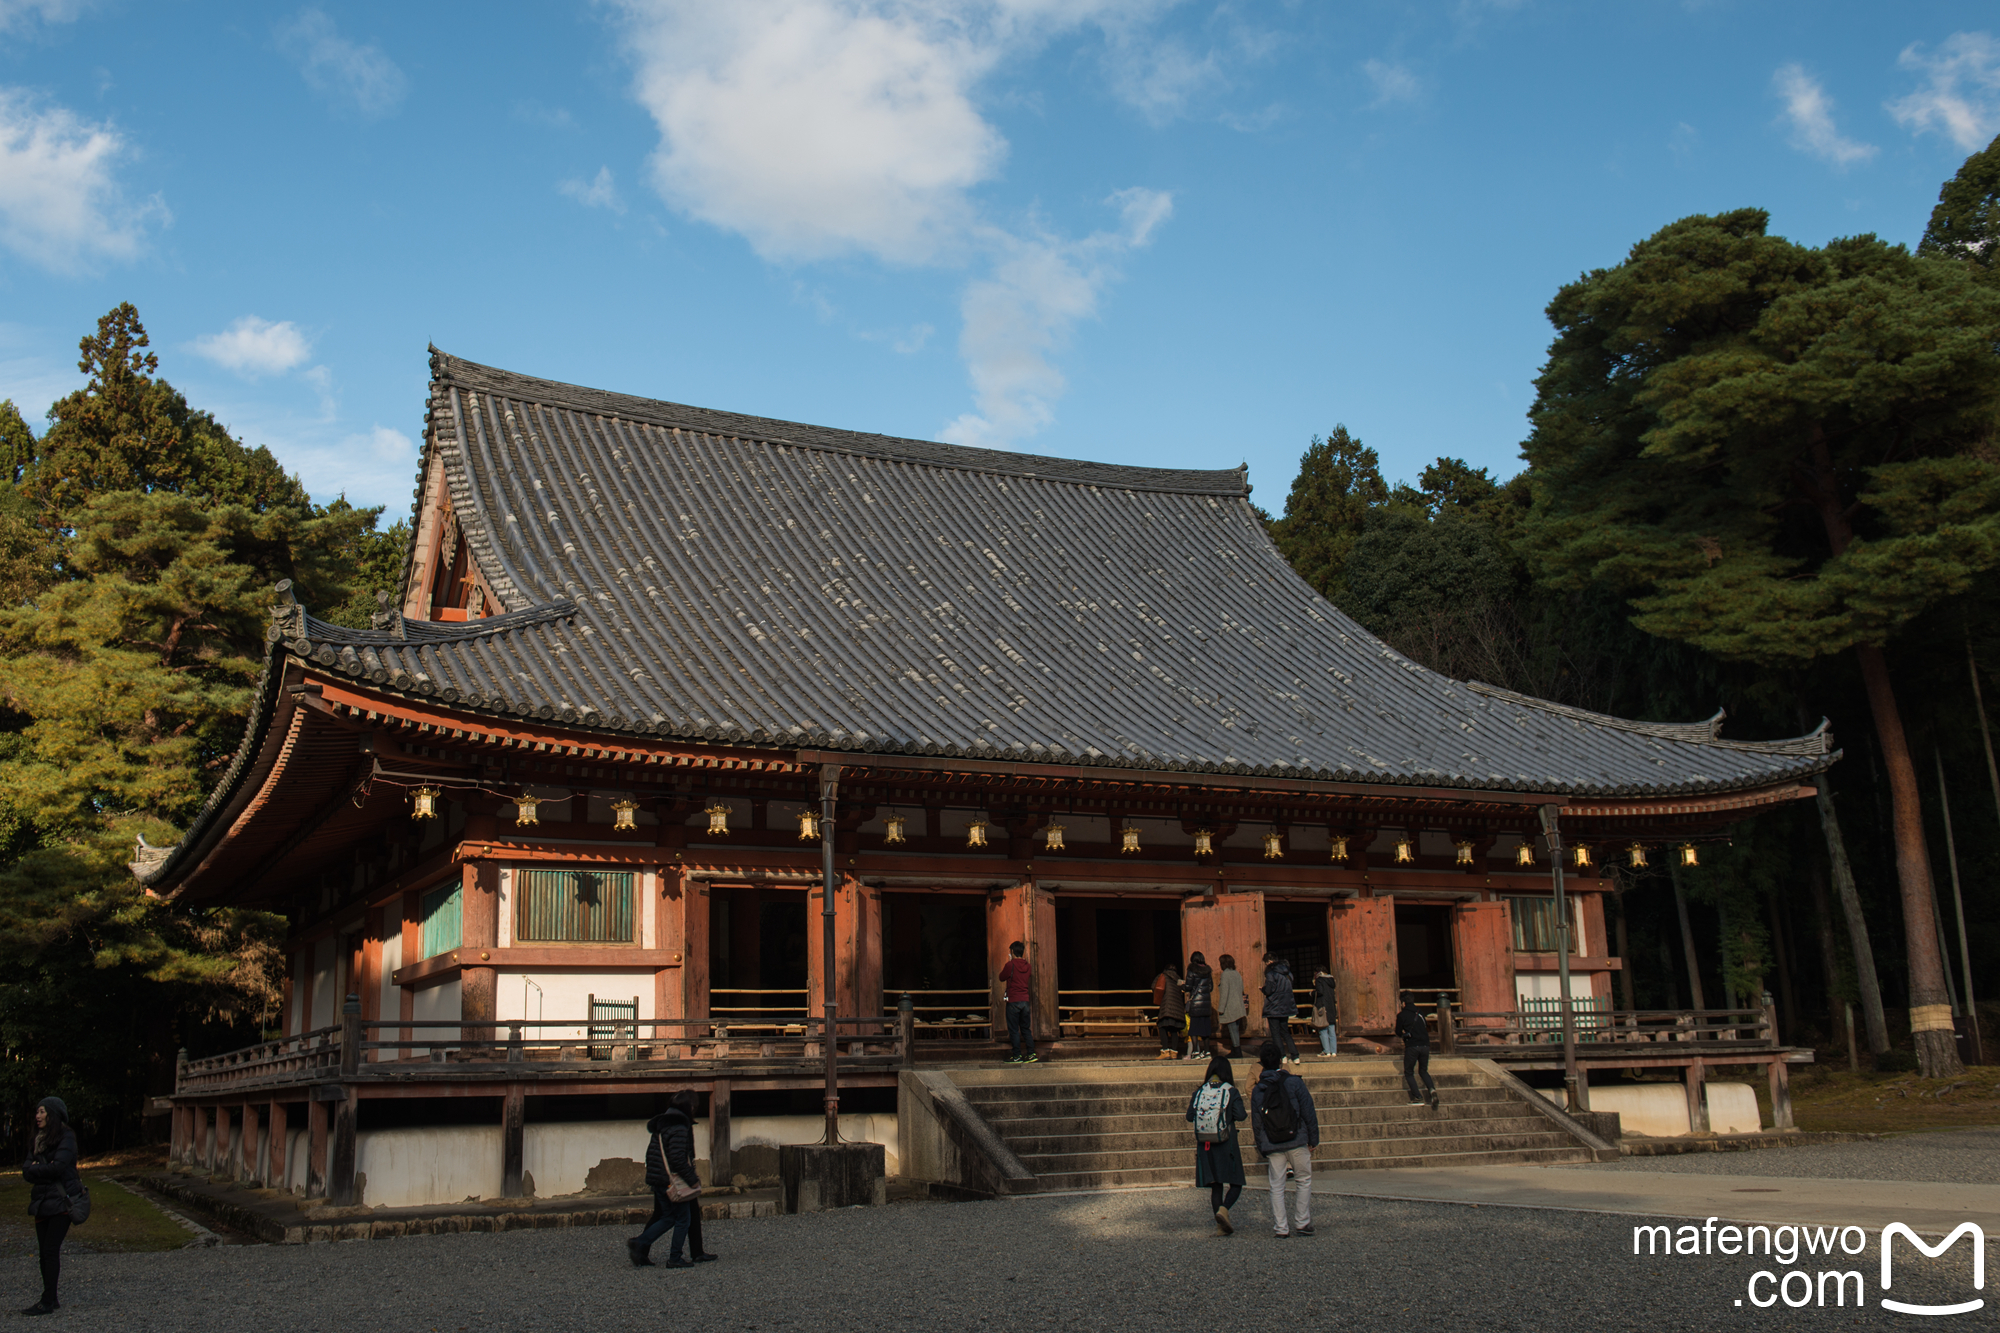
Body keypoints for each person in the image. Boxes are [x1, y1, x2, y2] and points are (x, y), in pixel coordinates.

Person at [1250, 1043, 1319, 1238]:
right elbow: (1308, 1111)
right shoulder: (1294, 1083)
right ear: (1281, 1060)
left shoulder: (1258, 1090)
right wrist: (1313, 1138)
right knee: (1303, 1180)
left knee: (1277, 1185)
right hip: (1296, 1137)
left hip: (1272, 1140)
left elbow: (1256, 1122)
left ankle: (1281, 1227)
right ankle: (1302, 1221)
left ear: (1261, 1063)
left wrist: (1261, 1145)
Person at [629, 1091, 703, 1268]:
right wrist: (692, 1179)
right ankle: (674, 1257)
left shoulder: (663, 1125)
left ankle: (640, 1244)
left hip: (658, 1178)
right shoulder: (679, 1126)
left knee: (667, 1217)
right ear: (689, 1107)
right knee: (682, 1219)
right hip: (672, 1180)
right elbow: (677, 1158)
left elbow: (653, 1154)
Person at [22, 1095, 78, 1316]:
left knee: (51, 1250)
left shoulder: (67, 1137)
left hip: (61, 1201)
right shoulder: (38, 1139)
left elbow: (59, 1168)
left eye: (42, 1111)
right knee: (43, 1254)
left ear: (53, 1114)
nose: (38, 1116)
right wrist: (38, 1169)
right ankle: (51, 1298)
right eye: (37, 1112)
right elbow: (26, 1170)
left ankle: (46, 1301)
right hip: (42, 1202)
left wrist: (38, 1169)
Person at [1185, 1053, 1246, 1236]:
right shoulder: (1230, 1091)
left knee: (1216, 1185)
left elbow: (1189, 1117)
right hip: (1227, 1142)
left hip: (1206, 1144)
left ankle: (1220, 1225)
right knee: (1236, 1182)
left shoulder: (1200, 1091)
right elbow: (1241, 1115)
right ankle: (1224, 1210)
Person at [1396, 994, 1439, 1109]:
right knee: (1423, 1071)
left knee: (1409, 1072)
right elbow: (1425, 1025)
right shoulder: (1420, 1012)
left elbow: (1398, 1032)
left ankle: (1418, 1097)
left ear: (1403, 1003)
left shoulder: (1402, 1015)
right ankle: (1432, 1090)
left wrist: (1405, 1034)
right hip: (1425, 1045)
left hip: (1412, 1046)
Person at [999, 940, 1037, 1064]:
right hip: (1025, 1000)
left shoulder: (1010, 965)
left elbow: (1001, 977)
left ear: (1013, 952)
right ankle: (1031, 1054)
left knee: (1014, 1030)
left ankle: (1017, 1056)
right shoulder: (1028, 966)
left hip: (1013, 1000)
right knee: (1026, 1029)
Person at [1261, 953, 1300, 1065]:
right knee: (1285, 1032)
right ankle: (1295, 1055)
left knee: (1275, 1033)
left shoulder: (1271, 973)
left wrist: (1263, 989)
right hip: (1286, 1006)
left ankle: (1282, 1056)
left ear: (1269, 962)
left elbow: (1269, 990)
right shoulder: (1288, 973)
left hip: (1274, 1006)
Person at [1184, 952, 1216, 1060]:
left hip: (1196, 1004)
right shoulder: (1207, 971)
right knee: (1206, 1029)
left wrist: (1182, 985)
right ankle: (1207, 1051)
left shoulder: (1191, 970)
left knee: (1194, 1029)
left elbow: (1188, 987)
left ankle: (1195, 1051)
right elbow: (1210, 987)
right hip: (1206, 1004)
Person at [1216, 954, 1248, 1055]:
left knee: (1232, 1030)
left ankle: (1237, 1051)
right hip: (1238, 1005)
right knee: (1235, 1029)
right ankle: (1234, 1050)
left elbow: (1224, 993)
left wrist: (1221, 1008)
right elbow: (1242, 989)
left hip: (1230, 1006)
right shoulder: (1237, 973)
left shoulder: (1225, 974)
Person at [1152, 962, 1186, 1059]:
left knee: (1162, 1027)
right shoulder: (1178, 979)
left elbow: (1154, 986)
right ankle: (1174, 1052)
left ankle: (1165, 1051)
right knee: (1174, 1029)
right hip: (1178, 1008)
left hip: (1167, 1006)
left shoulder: (1162, 976)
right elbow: (1184, 988)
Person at [1311, 966, 1339, 1058]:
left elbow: (1320, 992)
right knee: (1332, 1030)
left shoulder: (1320, 980)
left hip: (1323, 1007)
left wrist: (1312, 993)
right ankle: (1333, 1051)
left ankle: (1326, 1051)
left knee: (1323, 1029)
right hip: (1331, 1007)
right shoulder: (1331, 980)